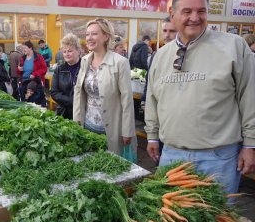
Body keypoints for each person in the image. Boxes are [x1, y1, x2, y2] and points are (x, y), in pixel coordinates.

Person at [145, 0, 255, 195]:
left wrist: (250, 145)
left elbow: (250, 97)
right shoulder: (161, 55)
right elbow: (152, 99)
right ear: (173, 15)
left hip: (219, 158)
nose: (195, 17)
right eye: (187, 11)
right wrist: (151, 136)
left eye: (201, 11)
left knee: (218, 221)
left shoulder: (234, 46)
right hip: (172, 154)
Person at [73, 18, 136, 155]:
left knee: (111, 166)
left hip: (110, 127)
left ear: (106, 36)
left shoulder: (120, 62)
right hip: (88, 125)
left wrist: (127, 130)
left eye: (94, 34)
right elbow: (78, 92)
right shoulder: (85, 60)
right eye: (87, 34)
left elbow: (127, 99)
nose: (89, 38)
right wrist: (77, 121)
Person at [141, 16, 177, 111]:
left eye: (172, 31)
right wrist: (144, 100)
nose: (167, 35)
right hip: (159, 106)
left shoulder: (185, 55)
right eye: (164, 31)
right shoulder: (156, 55)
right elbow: (150, 80)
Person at [50, 33, 81, 119]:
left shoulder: (85, 67)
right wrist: (72, 101)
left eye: (70, 51)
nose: (67, 54)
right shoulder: (59, 70)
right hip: (63, 113)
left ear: (78, 51)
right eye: (64, 51)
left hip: (82, 112)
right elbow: (54, 93)